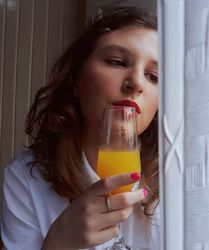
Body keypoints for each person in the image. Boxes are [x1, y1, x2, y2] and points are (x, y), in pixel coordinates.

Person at [1, 6, 159, 250]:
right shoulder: (25, 179)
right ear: (76, 80)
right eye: (117, 62)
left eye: (153, 77)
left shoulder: (181, 181)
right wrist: (57, 243)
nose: (136, 82)